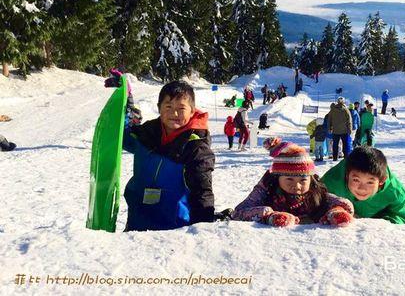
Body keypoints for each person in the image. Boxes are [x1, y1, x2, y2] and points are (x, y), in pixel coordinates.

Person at [120, 79, 215, 231]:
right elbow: (123, 137)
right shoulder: (148, 132)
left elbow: (202, 191)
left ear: (192, 111)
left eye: (181, 108)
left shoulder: (196, 146)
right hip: (137, 224)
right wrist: (124, 99)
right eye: (168, 106)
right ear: (159, 108)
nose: (174, 113)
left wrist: (204, 227)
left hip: (173, 230)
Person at [231, 137, 354, 227]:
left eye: (303, 180)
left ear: (311, 180)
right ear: (277, 177)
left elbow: (342, 204)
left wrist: (337, 211)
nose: (297, 185)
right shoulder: (267, 189)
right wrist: (269, 215)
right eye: (289, 179)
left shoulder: (316, 192)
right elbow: (239, 212)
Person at [320, 146, 405, 224]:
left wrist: (378, 223)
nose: (362, 189)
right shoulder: (331, 182)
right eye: (356, 180)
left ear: (381, 181)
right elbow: (313, 199)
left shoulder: (395, 192)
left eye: (370, 182)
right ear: (347, 175)